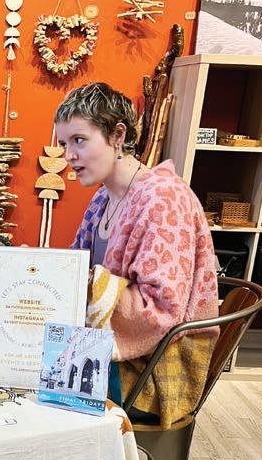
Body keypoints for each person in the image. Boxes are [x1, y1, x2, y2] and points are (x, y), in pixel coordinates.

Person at [54, 82, 218, 428]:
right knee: (15, 357)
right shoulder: (103, 197)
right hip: (114, 349)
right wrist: (38, 271)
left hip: (153, 369)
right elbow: (74, 267)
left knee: (32, 386)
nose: (68, 155)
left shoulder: (163, 199)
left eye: (79, 140)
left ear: (118, 135)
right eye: (64, 143)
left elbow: (161, 310)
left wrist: (84, 283)